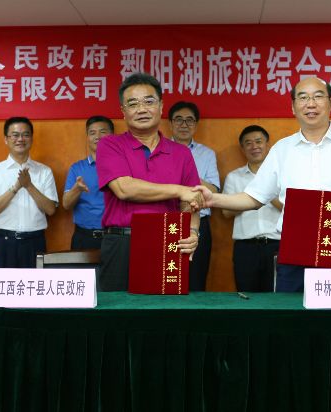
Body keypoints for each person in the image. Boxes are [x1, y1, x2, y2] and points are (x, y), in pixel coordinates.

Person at [193, 77, 331, 292]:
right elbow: (254, 197)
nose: (310, 104)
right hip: (294, 251)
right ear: (293, 107)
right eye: (303, 98)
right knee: (291, 312)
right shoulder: (282, 149)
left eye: (318, 96)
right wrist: (213, 199)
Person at [95, 73, 202, 292]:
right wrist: (179, 190)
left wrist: (193, 231)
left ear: (161, 106)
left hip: (169, 243)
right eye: (133, 104)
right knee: (116, 309)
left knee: (164, 309)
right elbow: (124, 189)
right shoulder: (110, 144)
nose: (141, 109)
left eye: (149, 101)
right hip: (122, 244)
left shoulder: (182, 153)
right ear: (123, 111)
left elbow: (191, 203)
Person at [0, 117, 58, 268]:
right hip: (3, 242)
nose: (20, 139)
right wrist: (16, 187)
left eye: (25, 135)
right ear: (6, 139)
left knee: (35, 284)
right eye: (15, 135)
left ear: (31, 138)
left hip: (34, 242)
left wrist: (29, 186)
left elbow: (50, 209)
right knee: (3, 284)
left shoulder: (44, 171)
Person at [222, 125, 283, 292]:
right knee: (247, 298)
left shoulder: (283, 175)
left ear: (268, 145)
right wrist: (251, 198)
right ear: (243, 149)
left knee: (276, 298)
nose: (254, 146)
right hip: (246, 248)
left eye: (258, 141)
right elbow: (226, 211)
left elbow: (291, 210)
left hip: (277, 246)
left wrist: (264, 192)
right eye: (248, 143)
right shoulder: (234, 177)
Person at [169, 101, 220, 291]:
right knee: (165, 280)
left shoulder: (207, 154)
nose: (184, 125)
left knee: (196, 281)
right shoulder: (159, 150)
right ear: (170, 124)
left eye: (189, 120)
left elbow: (213, 190)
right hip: (166, 222)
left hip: (198, 224)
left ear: (196, 124)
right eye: (178, 120)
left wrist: (188, 172)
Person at [62, 116, 114, 250]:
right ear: (88, 137)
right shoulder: (77, 168)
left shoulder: (122, 166)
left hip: (114, 236)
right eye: (92, 133)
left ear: (112, 136)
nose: (97, 137)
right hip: (83, 237)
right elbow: (66, 204)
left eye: (103, 132)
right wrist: (77, 188)